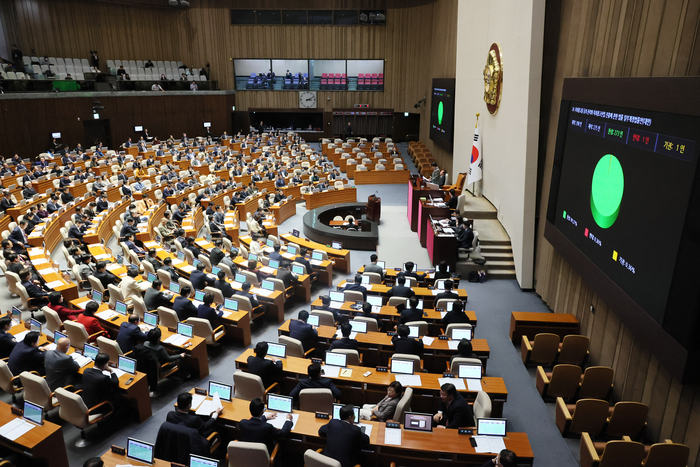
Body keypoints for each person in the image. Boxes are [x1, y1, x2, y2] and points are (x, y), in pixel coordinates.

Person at [135, 327, 185, 396]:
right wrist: (180, 355)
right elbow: (168, 359)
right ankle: (186, 376)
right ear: (159, 339)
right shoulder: (160, 348)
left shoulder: (145, 343)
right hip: (160, 367)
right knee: (179, 359)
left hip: (148, 366)